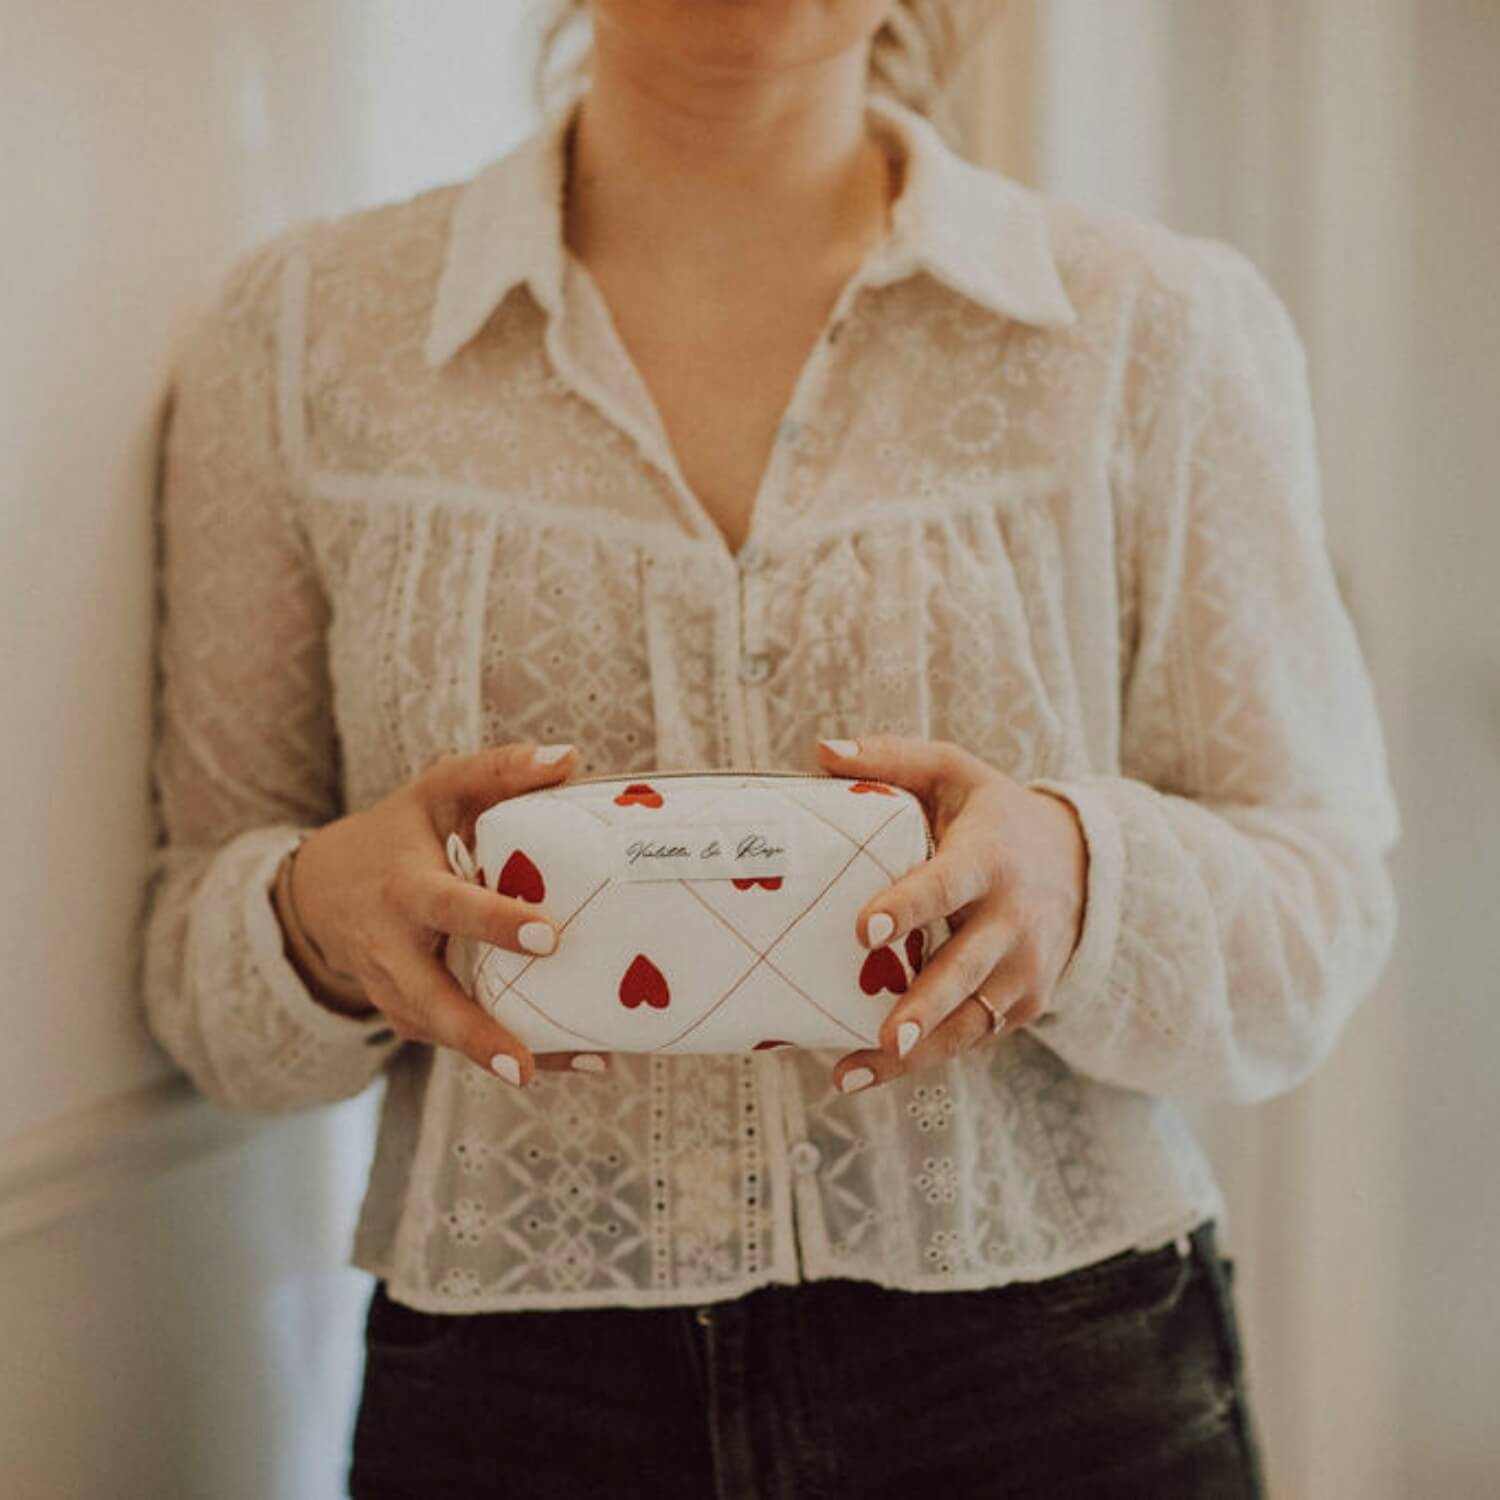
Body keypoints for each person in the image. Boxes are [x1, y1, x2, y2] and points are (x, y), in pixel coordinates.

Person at [143, 1, 1401, 1494]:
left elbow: (1320, 906)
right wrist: (315, 918)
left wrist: (1080, 878)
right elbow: (193, 972)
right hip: (513, 1402)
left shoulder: (1157, 329)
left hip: (1057, 1386)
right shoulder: (295, 342)